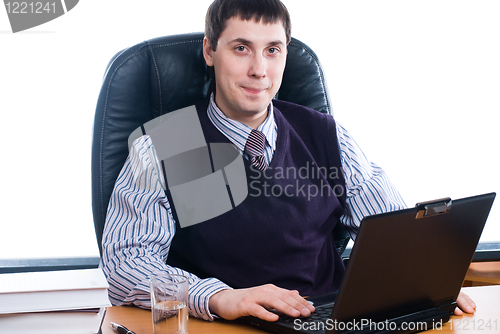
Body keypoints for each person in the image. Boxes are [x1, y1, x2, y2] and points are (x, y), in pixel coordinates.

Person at [100, 0, 476, 323]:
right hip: (225, 326)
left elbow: (391, 231)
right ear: (210, 51)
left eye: (273, 50)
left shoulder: (328, 136)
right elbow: (125, 263)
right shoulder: (160, 148)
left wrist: (425, 275)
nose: (259, 71)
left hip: (327, 320)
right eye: (242, 48)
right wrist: (219, 297)